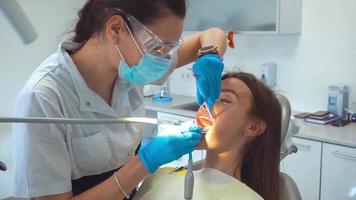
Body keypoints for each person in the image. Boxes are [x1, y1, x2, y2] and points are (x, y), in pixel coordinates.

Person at [12, 0, 227, 199]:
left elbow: (211, 34)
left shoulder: (129, 69)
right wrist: (145, 162)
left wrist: (210, 55)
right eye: (159, 47)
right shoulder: (44, 98)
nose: (164, 59)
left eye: (170, 49)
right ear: (116, 28)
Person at [134, 72, 282, 200]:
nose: (207, 105)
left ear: (253, 127)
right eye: (208, 97)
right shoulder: (160, 176)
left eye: (225, 99)